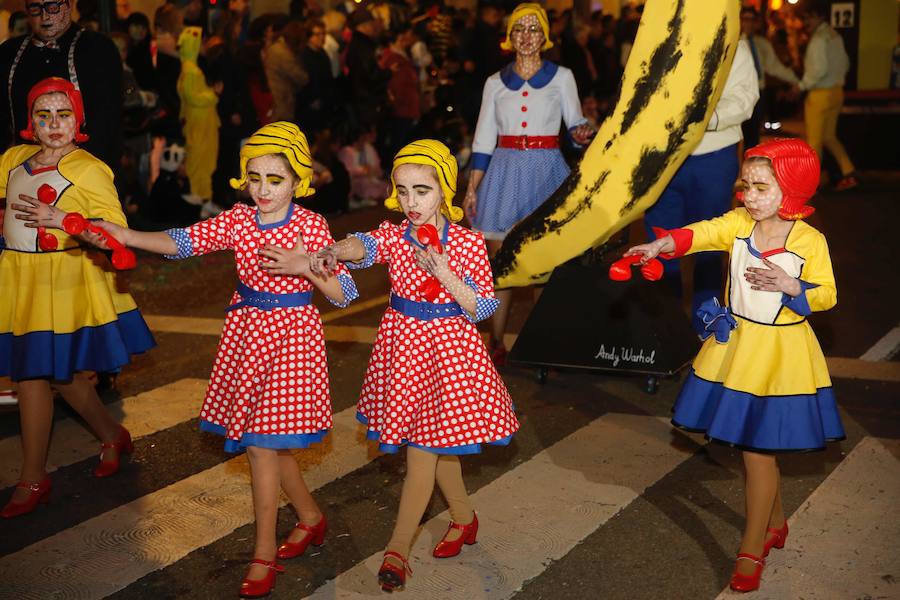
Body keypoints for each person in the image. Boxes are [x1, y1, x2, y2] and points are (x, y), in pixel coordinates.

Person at [86, 122, 359, 598]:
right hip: (248, 338)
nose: (263, 190)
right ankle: (311, 517)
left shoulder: (312, 227)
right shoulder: (238, 219)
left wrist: (305, 267)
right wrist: (124, 235)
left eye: (275, 179)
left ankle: (263, 552)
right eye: (254, 178)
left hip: (292, 342)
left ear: (297, 180)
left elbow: (344, 292)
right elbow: (181, 242)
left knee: (259, 445)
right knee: (270, 444)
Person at [292, 139, 518, 592]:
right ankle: (464, 519)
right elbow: (364, 245)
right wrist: (336, 249)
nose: (412, 202)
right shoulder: (396, 236)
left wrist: (445, 273)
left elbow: (485, 308)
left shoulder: (468, 243)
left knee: (424, 452)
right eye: (404, 191)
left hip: (450, 356)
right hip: (404, 353)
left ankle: (397, 549)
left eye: (423, 191)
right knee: (438, 448)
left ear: (445, 191)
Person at [624, 138, 844, 594]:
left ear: (793, 189)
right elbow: (703, 231)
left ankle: (750, 547)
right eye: (746, 186)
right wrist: (662, 244)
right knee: (754, 447)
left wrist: (791, 284)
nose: (749, 196)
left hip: (780, 357)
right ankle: (775, 523)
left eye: (761, 188)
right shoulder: (741, 224)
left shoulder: (809, 240)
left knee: (754, 450)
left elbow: (826, 295)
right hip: (737, 347)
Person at [0, 77, 155, 519]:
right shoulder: (12, 159)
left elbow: (114, 237)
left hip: (62, 281)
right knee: (58, 373)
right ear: (29, 120)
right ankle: (111, 434)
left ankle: (33, 477)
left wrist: (62, 217)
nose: (53, 124)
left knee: (34, 373)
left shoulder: (89, 168)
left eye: (63, 114)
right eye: (42, 115)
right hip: (17, 277)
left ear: (78, 119)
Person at [464, 2, 594, 365]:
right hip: (504, 171)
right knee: (499, 260)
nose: (526, 36)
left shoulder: (562, 76)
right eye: (518, 29)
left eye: (533, 29)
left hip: (545, 170)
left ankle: (541, 338)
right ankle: (495, 340)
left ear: (545, 36)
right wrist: (473, 186)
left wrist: (583, 134)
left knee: (544, 261)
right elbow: (483, 139)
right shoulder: (495, 83)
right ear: (509, 37)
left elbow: (575, 125)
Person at [644, 37, 758, 336]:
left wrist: (705, 118)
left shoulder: (734, 43)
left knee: (709, 246)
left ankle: (705, 328)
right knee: (659, 242)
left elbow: (745, 97)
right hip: (662, 157)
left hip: (713, 155)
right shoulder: (662, 36)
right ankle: (662, 332)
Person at [0, 0, 123, 170]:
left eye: (52, 6)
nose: (45, 16)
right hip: (22, 171)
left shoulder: (98, 49)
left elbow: (108, 125)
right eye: (36, 8)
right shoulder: (8, 53)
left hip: (84, 173)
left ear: (69, 4)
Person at [791, 1, 858, 191]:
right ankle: (848, 171)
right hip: (837, 92)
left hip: (820, 93)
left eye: (808, 17)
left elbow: (818, 70)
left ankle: (812, 183)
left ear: (819, 16)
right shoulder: (834, 35)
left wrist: (801, 86)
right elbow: (845, 63)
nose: (805, 22)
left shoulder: (819, 39)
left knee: (814, 141)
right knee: (829, 137)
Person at [739, 7, 800, 149]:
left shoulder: (761, 44)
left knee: (753, 137)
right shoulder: (734, 43)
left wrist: (796, 80)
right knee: (736, 137)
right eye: (745, 19)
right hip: (740, 92)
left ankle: (750, 169)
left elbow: (774, 66)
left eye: (751, 20)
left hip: (758, 92)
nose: (748, 24)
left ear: (756, 22)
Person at [176, 26, 220, 217]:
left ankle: (203, 200)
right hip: (201, 122)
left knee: (202, 160)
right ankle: (200, 201)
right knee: (202, 161)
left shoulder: (189, 68)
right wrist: (214, 94)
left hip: (199, 121)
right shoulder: (192, 71)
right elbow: (193, 97)